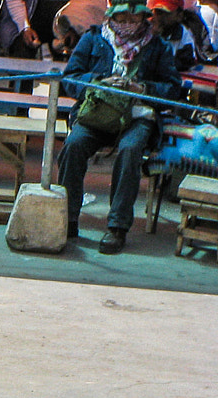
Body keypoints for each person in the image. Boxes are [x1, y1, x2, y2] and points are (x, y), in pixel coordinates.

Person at [57, 0, 182, 253]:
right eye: (121, 19)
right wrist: (99, 82)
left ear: (143, 19)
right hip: (97, 114)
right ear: (112, 17)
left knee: (131, 149)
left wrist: (143, 89)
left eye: (133, 20)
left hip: (138, 115)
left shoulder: (158, 47)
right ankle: (67, 219)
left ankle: (117, 227)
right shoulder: (93, 39)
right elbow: (70, 78)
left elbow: (173, 88)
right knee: (73, 145)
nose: (127, 25)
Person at [149, 0, 200, 67]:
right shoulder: (143, 31)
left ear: (179, 16)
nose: (161, 17)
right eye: (158, 13)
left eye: (166, 13)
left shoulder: (184, 35)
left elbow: (185, 63)